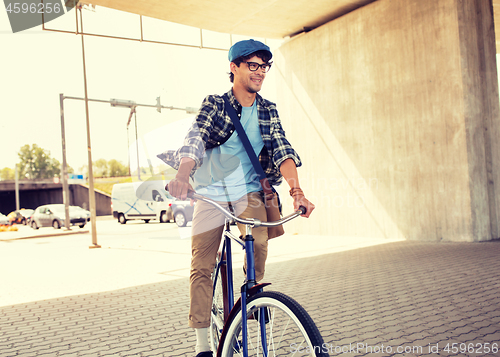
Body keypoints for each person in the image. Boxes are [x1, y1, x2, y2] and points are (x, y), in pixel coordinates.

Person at [158, 39, 315, 357]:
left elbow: (282, 149)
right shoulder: (216, 104)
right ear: (234, 68)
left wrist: (297, 192)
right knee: (202, 263)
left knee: (258, 241)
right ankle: (202, 341)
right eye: (253, 65)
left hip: (248, 190)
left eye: (264, 66)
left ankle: (252, 295)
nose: (261, 72)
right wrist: (182, 175)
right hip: (212, 191)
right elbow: (196, 138)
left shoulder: (268, 109)